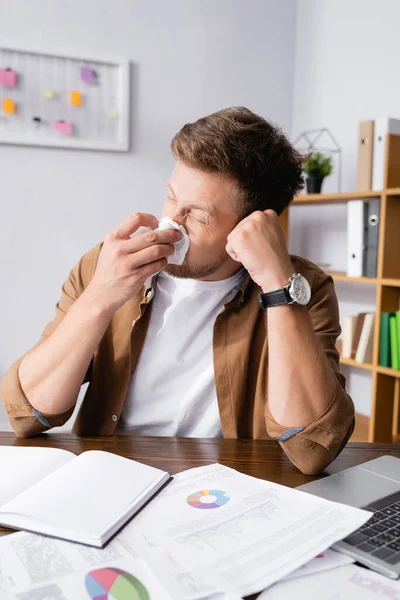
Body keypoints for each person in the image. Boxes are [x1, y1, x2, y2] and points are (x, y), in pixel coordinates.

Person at [1, 107, 354, 475]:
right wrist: (99, 298)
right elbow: (27, 414)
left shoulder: (302, 287)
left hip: (225, 494)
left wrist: (279, 288)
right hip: (107, 481)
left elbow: (312, 449)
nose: (172, 222)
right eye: (171, 197)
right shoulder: (106, 266)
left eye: (198, 215)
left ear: (252, 225)